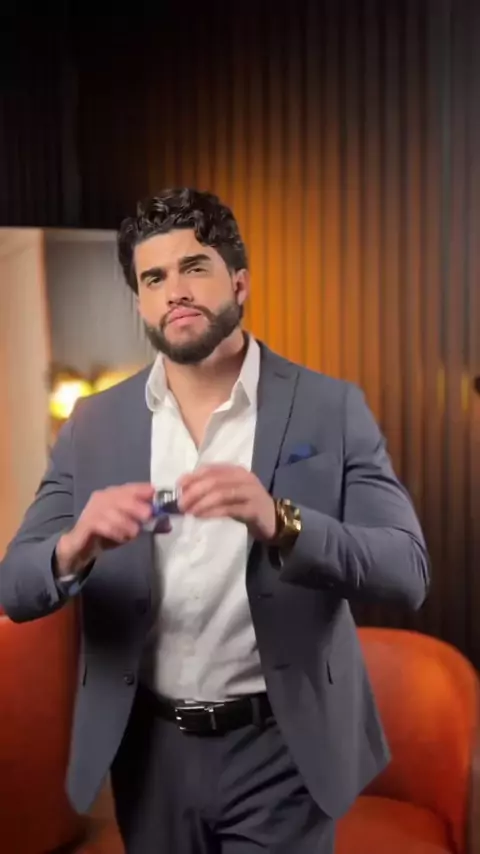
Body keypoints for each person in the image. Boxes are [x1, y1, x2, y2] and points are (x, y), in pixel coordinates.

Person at [0, 188, 430, 854]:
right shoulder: (92, 424)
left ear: (239, 282)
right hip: (148, 755)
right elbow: (14, 586)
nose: (175, 291)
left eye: (194, 267)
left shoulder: (331, 409)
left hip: (282, 749)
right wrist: (73, 546)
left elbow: (406, 571)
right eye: (153, 278)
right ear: (141, 303)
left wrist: (281, 522)